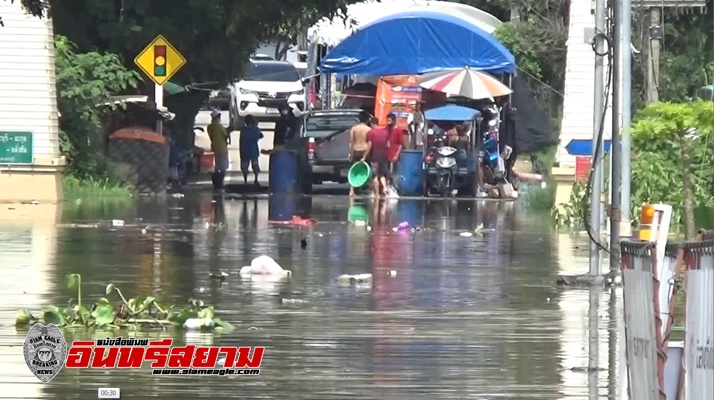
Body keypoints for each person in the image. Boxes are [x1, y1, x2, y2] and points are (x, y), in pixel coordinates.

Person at [348, 111, 372, 196]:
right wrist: (366, 155)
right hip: (365, 150)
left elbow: (351, 142)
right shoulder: (369, 130)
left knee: (353, 171)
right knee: (367, 170)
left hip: (356, 150)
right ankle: (367, 188)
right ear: (367, 120)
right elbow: (370, 143)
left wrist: (350, 153)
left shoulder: (354, 128)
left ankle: (352, 190)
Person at [363, 121, 390, 197]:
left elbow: (369, 145)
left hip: (374, 157)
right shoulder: (385, 132)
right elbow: (388, 145)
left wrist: (364, 156)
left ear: (372, 124)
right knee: (382, 175)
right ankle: (385, 189)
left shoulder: (371, 133)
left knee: (375, 176)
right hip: (383, 157)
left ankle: (377, 194)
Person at [207, 110, 230, 190]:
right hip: (222, 148)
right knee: (223, 167)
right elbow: (225, 134)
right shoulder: (219, 126)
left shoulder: (209, 127)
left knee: (217, 166)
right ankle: (220, 182)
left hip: (215, 148)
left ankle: (216, 182)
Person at [239, 115, 264, 187]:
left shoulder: (243, 130)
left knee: (245, 167)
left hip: (244, 150)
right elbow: (261, 135)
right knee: (255, 165)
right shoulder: (255, 129)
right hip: (253, 150)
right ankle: (256, 179)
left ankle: (245, 181)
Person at [385, 113, 405, 182]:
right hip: (387, 153)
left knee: (394, 171)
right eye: (387, 121)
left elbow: (400, 144)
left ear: (394, 121)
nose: (388, 122)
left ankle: (394, 184)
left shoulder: (398, 130)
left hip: (394, 153)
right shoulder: (387, 129)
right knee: (386, 171)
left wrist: (397, 155)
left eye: (389, 121)